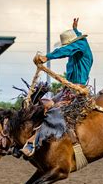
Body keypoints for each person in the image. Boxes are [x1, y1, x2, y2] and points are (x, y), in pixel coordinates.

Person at [21, 18, 93, 158]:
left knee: (54, 111)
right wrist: (76, 30)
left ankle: (35, 142)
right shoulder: (79, 45)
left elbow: (67, 50)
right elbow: (70, 46)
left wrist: (47, 57)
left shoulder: (80, 46)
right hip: (68, 89)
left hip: (76, 90)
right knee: (43, 105)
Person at [34, 18, 93, 86]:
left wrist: (47, 57)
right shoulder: (82, 43)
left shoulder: (79, 45)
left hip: (77, 84)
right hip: (73, 83)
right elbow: (77, 35)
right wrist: (75, 29)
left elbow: (66, 50)